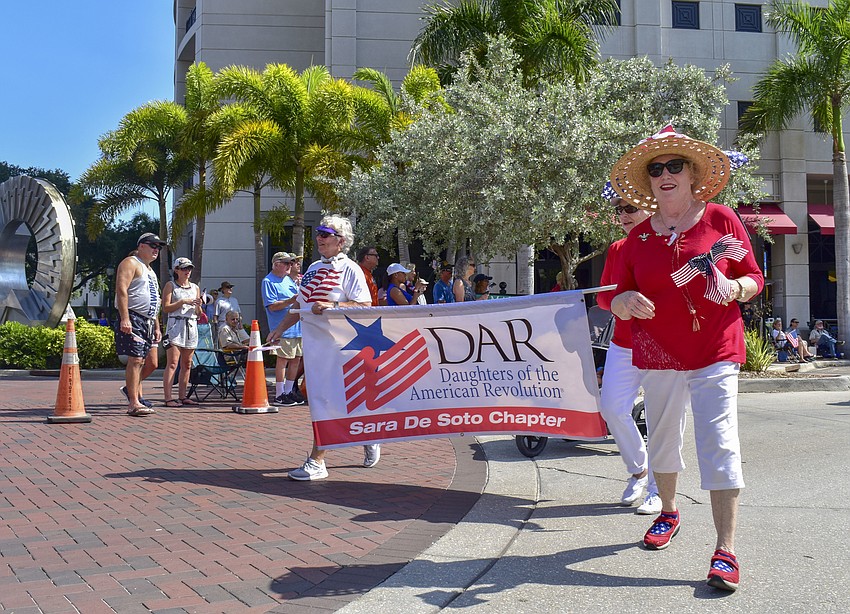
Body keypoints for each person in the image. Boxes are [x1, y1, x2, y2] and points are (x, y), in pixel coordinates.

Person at [609, 126, 764, 592]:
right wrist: (625, 301)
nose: (665, 174)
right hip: (657, 352)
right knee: (662, 439)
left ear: (694, 174)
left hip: (715, 348)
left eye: (675, 165)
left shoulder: (720, 218)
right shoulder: (637, 240)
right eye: (656, 169)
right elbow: (614, 296)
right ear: (649, 182)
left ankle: (725, 550)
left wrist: (736, 288)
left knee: (719, 440)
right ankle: (670, 512)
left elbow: (753, 276)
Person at [267, 215, 380, 479]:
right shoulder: (314, 268)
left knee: (326, 401)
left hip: (341, 346)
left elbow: (364, 306)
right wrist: (279, 330)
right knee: (325, 400)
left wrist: (334, 307)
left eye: (325, 233)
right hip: (314, 346)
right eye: (318, 232)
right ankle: (369, 432)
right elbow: (300, 305)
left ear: (340, 241)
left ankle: (318, 460)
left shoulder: (350, 269)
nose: (319, 237)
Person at [596, 189, 661, 515]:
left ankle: (658, 488)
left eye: (631, 207)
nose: (623, 214)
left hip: (663, 345)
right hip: (623, 343)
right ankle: (639, 470)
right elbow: (604, 298)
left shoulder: (667, 243)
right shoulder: (617, 249)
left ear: (650, 207)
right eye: (619, 209)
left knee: (662, 417)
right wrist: (621, 301)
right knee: (611, 407)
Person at [115, 233, 166, 417]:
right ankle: (134, 402)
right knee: (135, 360)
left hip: (149, 321)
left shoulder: (149, 270)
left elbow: (155, 300)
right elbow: (121, 290)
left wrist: (157, 326)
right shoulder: (131, 262)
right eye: (152, 245)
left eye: (158, 247)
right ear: (141, 246)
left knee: (151, 362)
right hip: (134, 317)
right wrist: (125, 318)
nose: (156, 250)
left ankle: (132, 390)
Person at [263, 252, 305, 407]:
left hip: (297, 327)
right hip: (283, 328)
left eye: (290, 263)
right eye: (286, 263)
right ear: (276, 264)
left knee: (296, 360)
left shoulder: (288, 280)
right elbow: (272, 306)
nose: (290, 266)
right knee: (283, 360)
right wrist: (291, 301)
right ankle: (280, 394)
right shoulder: (268, 281)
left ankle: (288, 391)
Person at [161, 257, 202, 407]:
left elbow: (198, 313)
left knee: (187, 363)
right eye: (184, 268)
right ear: (176, 270)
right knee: (172, 362)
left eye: (189, 268)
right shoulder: (170, 285)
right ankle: (168, 398)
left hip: (191, 325)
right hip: (175, 324)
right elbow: (165, 308)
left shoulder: (195, 288)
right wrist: (182, 302)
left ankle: (183, 395)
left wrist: (198, 305)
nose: (187, 271)